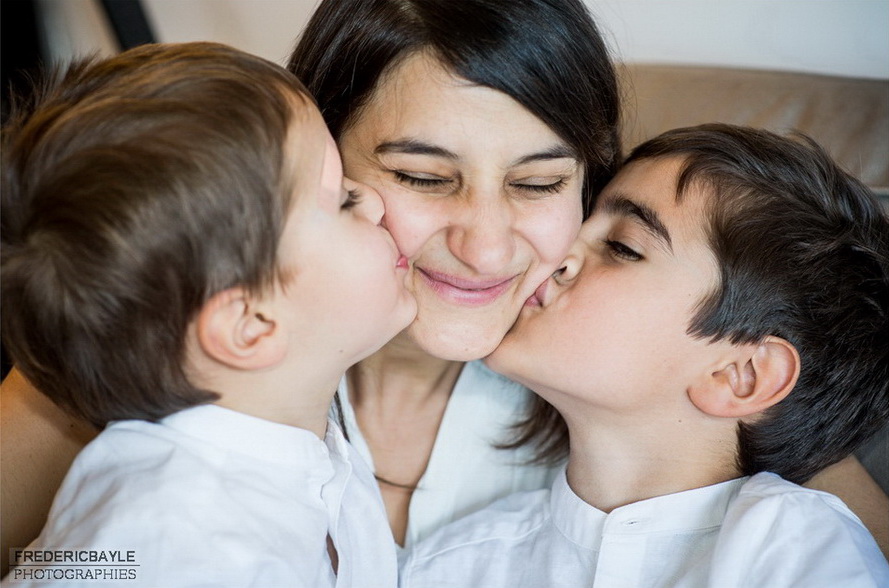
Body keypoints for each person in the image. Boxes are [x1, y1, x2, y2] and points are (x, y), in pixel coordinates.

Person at [1, 0, 887, 568]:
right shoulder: (154, 329)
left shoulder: (643, 385)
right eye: (422, 179)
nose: (487, 243)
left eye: (540, 184)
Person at [400, 124, 889, 587]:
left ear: (740, 375)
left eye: (622, 247)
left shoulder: (793, 544)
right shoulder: (452, 561)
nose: (558, 254)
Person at [0, 42, 415, 587]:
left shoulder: (289, 442)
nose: (378, 202)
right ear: (250, 326)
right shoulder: (171, 541)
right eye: (340, 199)